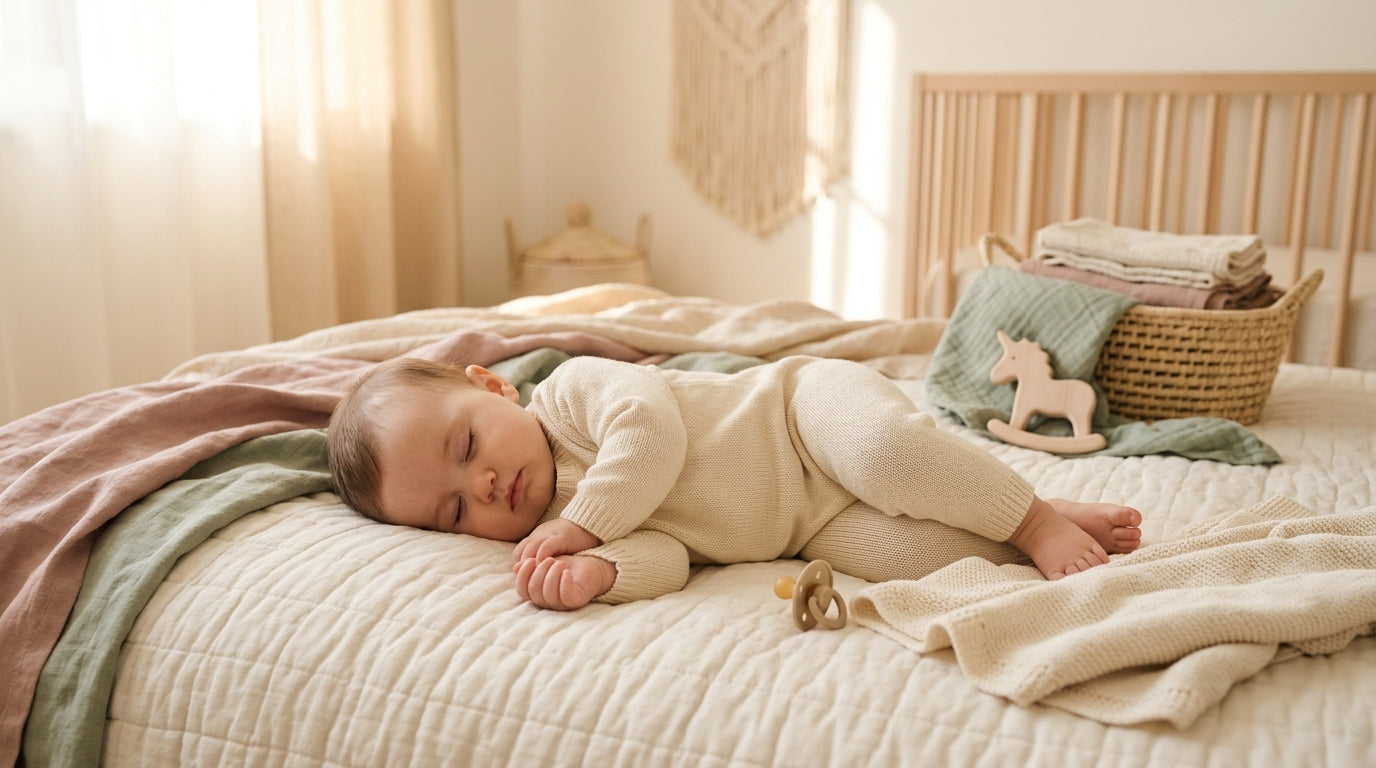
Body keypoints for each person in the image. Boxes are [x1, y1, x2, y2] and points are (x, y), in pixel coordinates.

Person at [327, 354, 1142, 611]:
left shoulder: (571, 396)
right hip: (804, 524)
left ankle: (1033, 515)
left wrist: (578, 529)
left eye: (469, 444)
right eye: (454, 509)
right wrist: (600, 574)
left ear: (494, 384)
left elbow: (651, 432)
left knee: (887, 454)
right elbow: (670, 556)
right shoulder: (578, 525)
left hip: (798, 414)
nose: (488, 482)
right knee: (930, 558)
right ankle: (1024, 523)